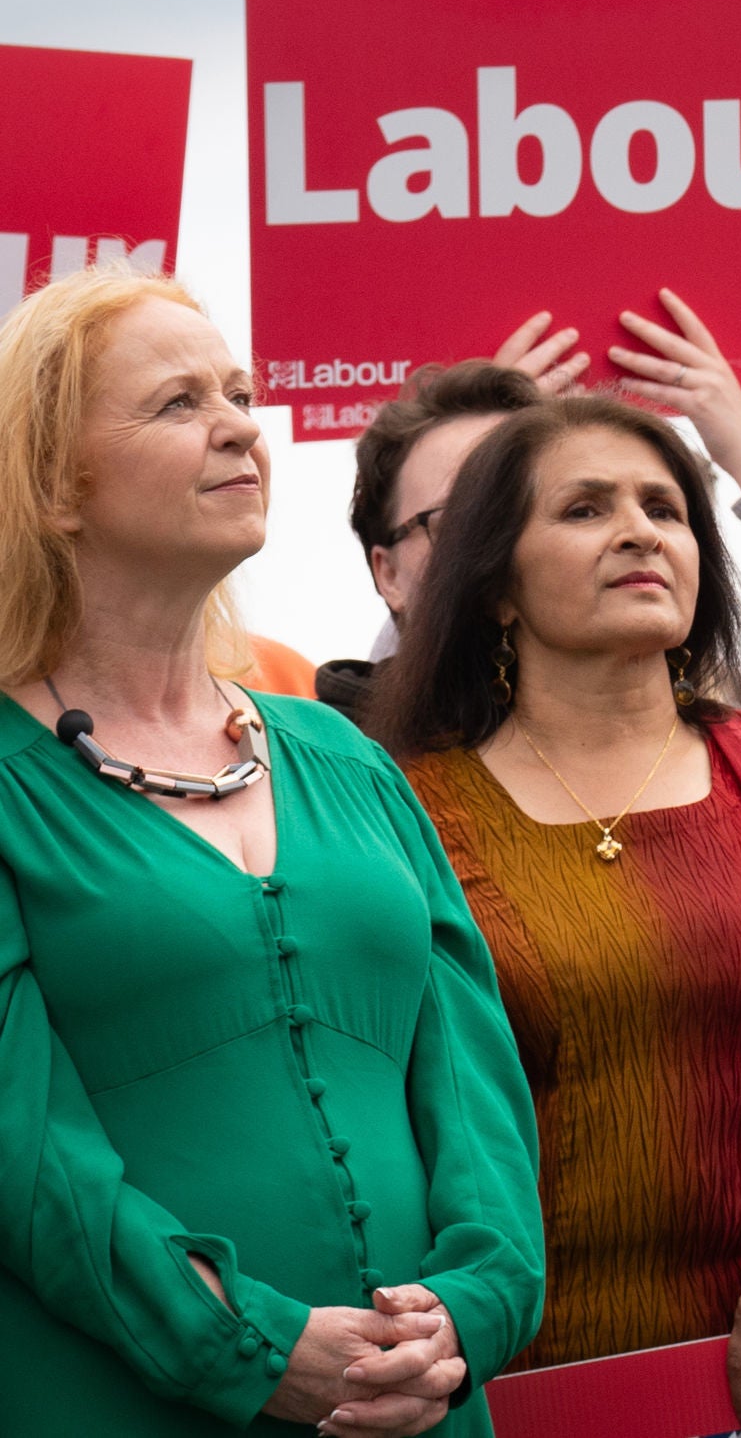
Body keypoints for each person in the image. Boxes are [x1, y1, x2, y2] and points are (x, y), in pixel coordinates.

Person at [0, 269, 543, 1434]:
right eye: (178, 402)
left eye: (240, 392)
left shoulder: (347, 758)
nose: (243, 424)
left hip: (422, 1402)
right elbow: (23, 1150)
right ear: (53, 483)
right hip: (121, 1399)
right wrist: (244, 1341)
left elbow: (470, 1078)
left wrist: (469, 1308)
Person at [372, 395, 741, 1427]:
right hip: (515, 1389)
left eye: (665, 507)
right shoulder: (405, 811)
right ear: (495, 581)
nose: (640, 528)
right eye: (584, 508)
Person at [326, 295, 741, 797]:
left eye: (661, 509)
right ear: (387, 572)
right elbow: (415, 671)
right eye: (463, 517)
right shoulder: (350, 782)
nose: (488, 546)